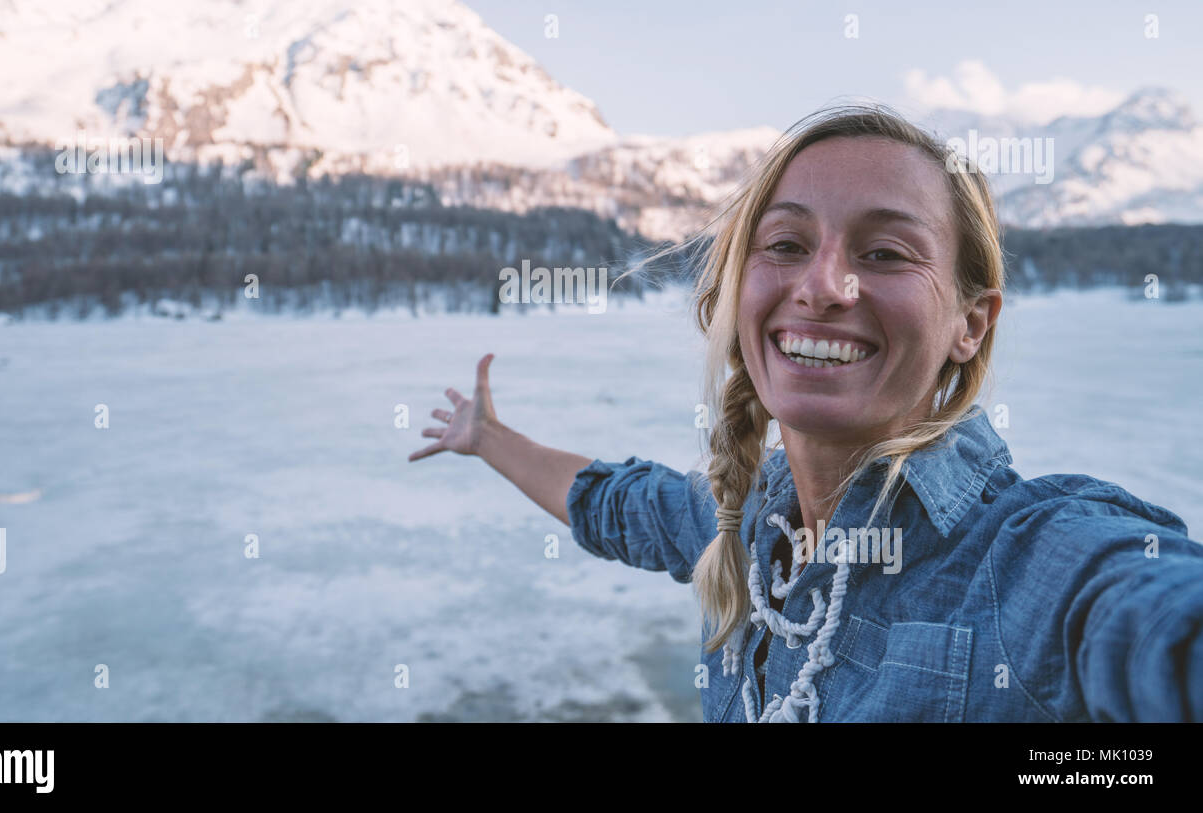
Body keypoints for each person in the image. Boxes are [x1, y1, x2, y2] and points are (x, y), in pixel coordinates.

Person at [408, 104, 1203, 722]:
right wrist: (489, 437)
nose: (824, 285)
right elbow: (610, 500)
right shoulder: (745, 522)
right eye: (785, 244)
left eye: (885, 252)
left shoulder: (1034, 559)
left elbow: (1149, 619)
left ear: (972, 323)